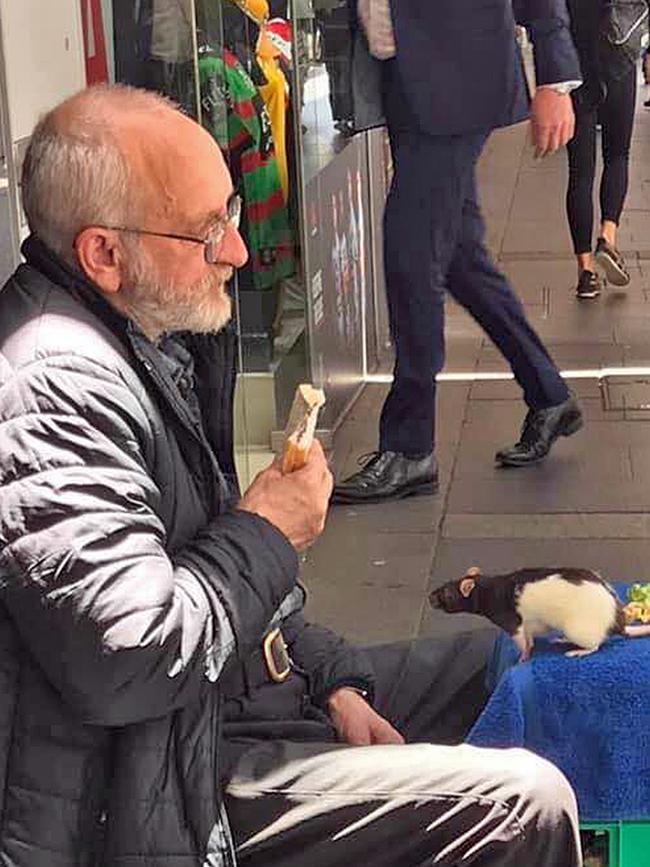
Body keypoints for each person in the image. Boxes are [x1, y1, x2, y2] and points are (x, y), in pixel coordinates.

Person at [0, 85, 582, 867]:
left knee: (520, 662)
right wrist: (268, 529)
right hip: (157, 794)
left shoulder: (143, 338)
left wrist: (325, 676)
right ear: (104, 253)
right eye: (208, 232)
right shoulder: (50, 386)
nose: (238, 252)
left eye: (231, 214)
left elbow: (222, 588)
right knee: (519, 805)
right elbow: (132, 657)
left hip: (219, 712)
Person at [331, 0, 585, 505]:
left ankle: (410, 446)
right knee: (460, 258)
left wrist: (556, 81)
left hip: (458, 79)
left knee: (411, 254)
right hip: (405, 76)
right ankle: (550, 395)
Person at [566, 0, 645, 300]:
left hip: (575, 64)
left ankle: (586, 272)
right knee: (617, 155)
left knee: (579, 172)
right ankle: (607, 236)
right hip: (617, 59)